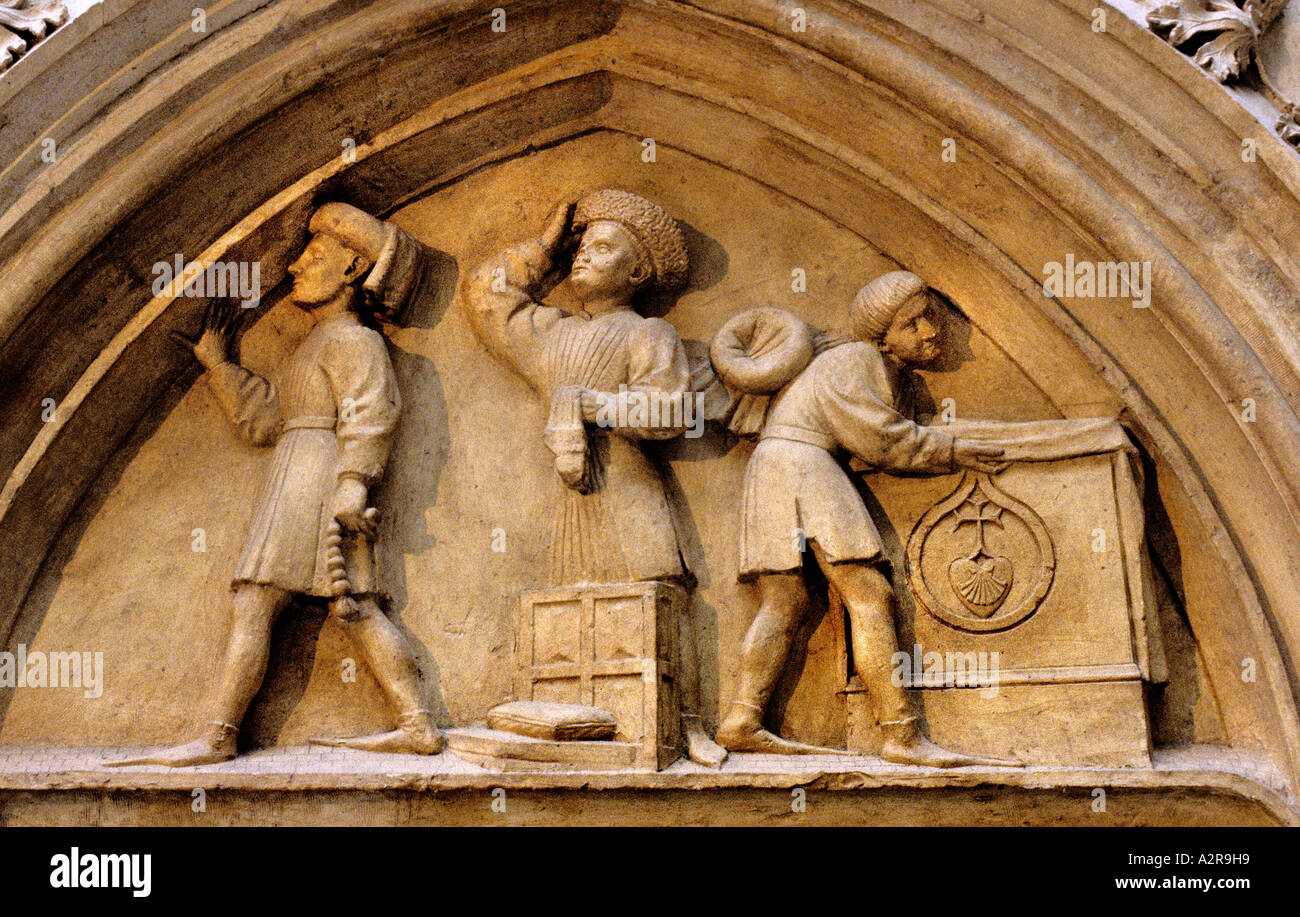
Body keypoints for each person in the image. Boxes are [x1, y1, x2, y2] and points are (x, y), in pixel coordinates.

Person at [110, 203, 441, 767]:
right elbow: (268, 418)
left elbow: (372, 413)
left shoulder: (355, 341)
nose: (293, 268)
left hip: (317, 480)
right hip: (300, 471)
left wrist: (353, 486)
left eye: (312, 258)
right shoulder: (311, 346)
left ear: (352, 271)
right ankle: (416, 723)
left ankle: (220, 735)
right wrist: (219, 367)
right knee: (353, 606)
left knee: (267, 601)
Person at [464, 190, 726, 767]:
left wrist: (591, 406)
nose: (582, 257)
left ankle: (685, 726)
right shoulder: (550, 334)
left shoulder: (648, 333)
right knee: (569, 610)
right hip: (570, 502)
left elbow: (671, 411)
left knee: (661, 592)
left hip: (629, 489)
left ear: (637, 272)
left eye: (602, 249)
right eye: (580, 248)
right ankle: (575, 731)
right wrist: (542, 249)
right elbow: (485, 298)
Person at [714, 271, 1017, 766]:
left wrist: (947, 437)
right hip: (802, 466)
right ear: (880, 334)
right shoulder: (855, 359)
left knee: (785, 602)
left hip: (775, 468)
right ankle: (901, 735)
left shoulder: (893, 374)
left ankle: (742, 720)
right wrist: (954, 450)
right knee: (869, 595)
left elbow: (907, 429)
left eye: (931, 318)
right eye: (912, 323)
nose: (929, 332)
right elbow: (883, 439)